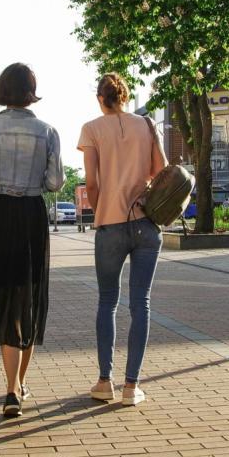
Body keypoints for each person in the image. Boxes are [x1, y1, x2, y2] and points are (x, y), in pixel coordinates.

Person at [0, 63, 64, 418]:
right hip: (30, 216)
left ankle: (12, 389)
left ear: (1, 90)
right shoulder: (47, 131)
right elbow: (55, 183)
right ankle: (16, 386)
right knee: (28, 296)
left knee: (3, 292)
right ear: (30, 92)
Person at [77, 73, 167, 406]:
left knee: (106, 302)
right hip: (146, 224)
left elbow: (92, 183)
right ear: (125, 97)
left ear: (100, 98)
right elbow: (162, 170)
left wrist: (103, 214)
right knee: (140, 302)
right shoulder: (145, 125)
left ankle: (105, 382)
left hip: (110, 225)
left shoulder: (91, 129)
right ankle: (132, 387)